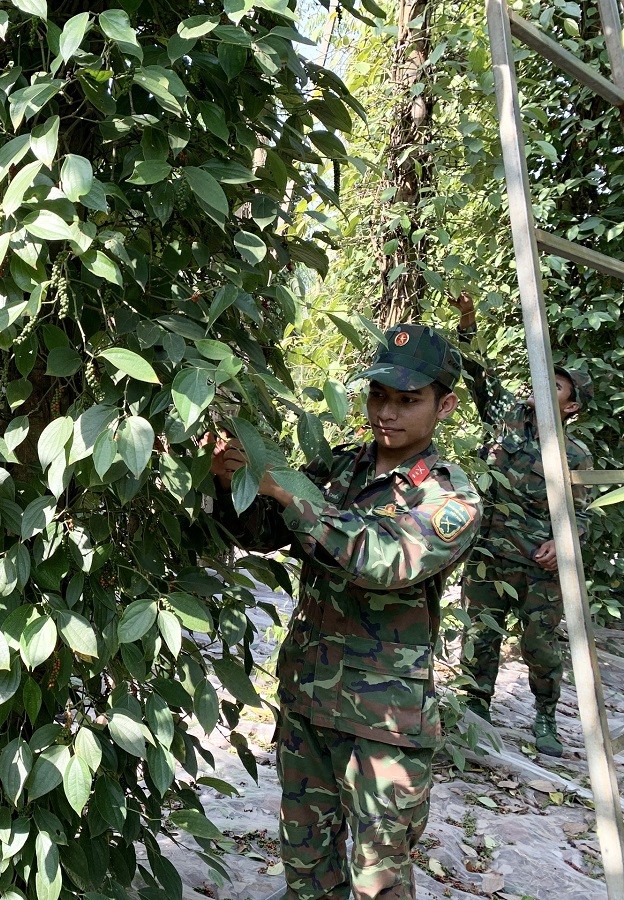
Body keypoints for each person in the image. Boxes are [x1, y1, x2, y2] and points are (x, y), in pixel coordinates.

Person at [208, 324, 481, 900]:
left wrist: (287, 491)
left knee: (378, 884)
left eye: (409, 401)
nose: (388, 412)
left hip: (385, 724)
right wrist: (230, 482)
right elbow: (265, 532)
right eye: (379, 395)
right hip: (310, 700)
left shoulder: (450, 498)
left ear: (445, 405)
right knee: (306, 873)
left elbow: (383, 560)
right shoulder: (340, 468)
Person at [448, 292, 593, 757]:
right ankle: (475, 714)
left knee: (541, 647)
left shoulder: (578, 457)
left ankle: (545, 717)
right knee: (480, 637)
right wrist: (468, 321)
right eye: (543, 379)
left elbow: (583, 515)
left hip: (539, 567)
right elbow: (476, 372)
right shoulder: (507, 414)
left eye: (559, 388)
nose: (544, 388)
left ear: (571, 408)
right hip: (490, 554)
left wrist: (563, 540)